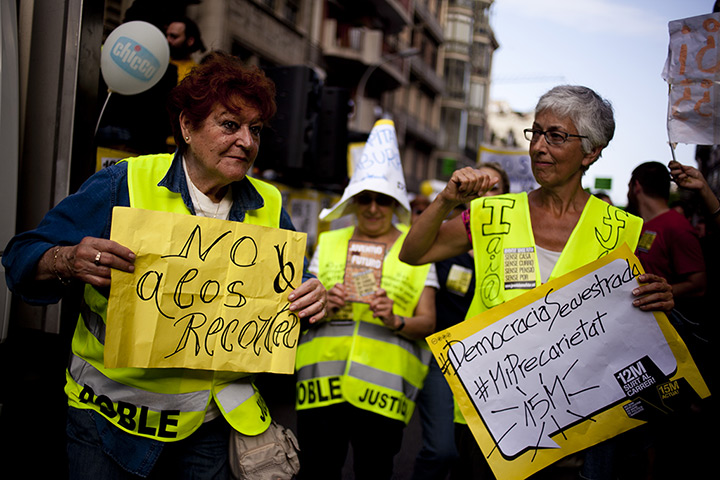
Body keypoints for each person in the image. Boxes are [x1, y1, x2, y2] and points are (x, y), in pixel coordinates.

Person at [2, 52, 327, 479]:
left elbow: (287, 293)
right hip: (109, 422)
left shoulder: (270, 202)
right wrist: (66, 259)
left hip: (209, 431)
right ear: (187, 127)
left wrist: (311, 298)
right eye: (229, 125)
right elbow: (21, 255)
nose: (246, 141)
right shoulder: (124, 182)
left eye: (255, 130)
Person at [399, 85, 674, 480]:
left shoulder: (624, 231)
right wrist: (445, 200)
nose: (539, 147)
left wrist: (661, 297)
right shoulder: (491, 213)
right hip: (490, 415)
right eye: (536, 132)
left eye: (556, 136)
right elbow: (412, 253)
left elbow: (637, 325)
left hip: (579, 424)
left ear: (591, 151)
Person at [294, 120, 437, 480]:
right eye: (365, 199)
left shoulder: (417, 250)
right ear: (353, 202)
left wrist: (395, 321)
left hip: (382, 396)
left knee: (374, 473)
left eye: (383, 200)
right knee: (317, 473)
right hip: (320, 388)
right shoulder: (329, 243)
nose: (373, 208)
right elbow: (299, 309)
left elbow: (429, 322)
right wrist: (323, 304)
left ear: (396, 205)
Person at [411, 162, 510, 480]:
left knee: (480, 456)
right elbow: (410, 253)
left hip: (495, 364)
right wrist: (444, 202)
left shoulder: (515, 248)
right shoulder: (444, 240)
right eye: (477, 186)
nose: (485, 194)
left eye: (493, 187)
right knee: (442, 450)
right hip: (446, 361)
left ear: (509, 198)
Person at [627, 161, 706, 310]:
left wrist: (658, 293)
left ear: (636, 186)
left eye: (628, 187)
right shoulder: (639, 225)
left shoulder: (677, 226)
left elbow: (698, 284)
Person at [165, 16, 206, 82]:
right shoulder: (158, 60)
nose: (167, 40)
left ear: (190, 41)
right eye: (167, 35)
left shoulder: (194, 74)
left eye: (173, 36)